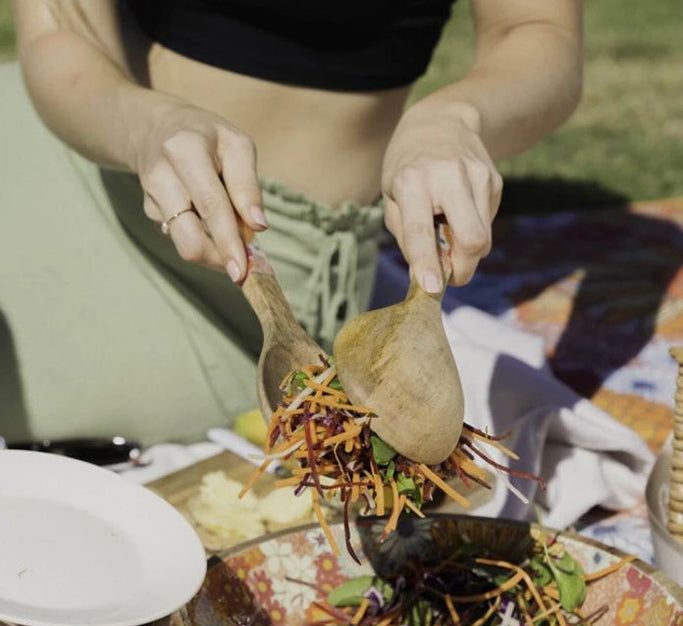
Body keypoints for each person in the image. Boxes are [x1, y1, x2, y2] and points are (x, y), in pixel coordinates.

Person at [1, 0, 582, 446]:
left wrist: (458, 116)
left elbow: (537, 29)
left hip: (253, 277)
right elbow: (61, 27)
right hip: (105, 149)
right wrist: (145, 130)